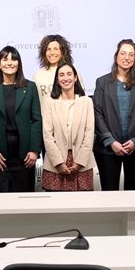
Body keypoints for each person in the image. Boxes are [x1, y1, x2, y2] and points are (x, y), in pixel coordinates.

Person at [94, 40, 135, 190]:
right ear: (116, 56)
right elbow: (97, 113)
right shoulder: (102, 82)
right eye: (123, 53)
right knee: (109, 193)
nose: (127, 57)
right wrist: (110, 140)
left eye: (131, 54)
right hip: (108, 149)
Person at [0, 46, 42, 192]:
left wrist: (34, 150)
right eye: (5, 59)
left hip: (25, 156)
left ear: (19, 63)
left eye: (14, 59)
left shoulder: (30, 87)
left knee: (24, 199)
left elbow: (36, 120)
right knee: (0, 200)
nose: (10, 63)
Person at [41, 63, 96, 191]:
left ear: (76, 77)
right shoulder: (50, 102)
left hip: (82, 163)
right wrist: (59, 163)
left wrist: (80, 162)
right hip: (56, 164)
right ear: (57, 79)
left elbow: (89, 134)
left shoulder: (86, 101)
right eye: (61, 75)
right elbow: (47, 136)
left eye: (69, 74)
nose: (66, 78)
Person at [34, 34, 78, 101]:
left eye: (55, 49)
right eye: (48, 49)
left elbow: (81, 98)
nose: (52, 53)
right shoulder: (38, 75)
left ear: (63, 51)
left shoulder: (72, 72)